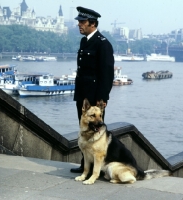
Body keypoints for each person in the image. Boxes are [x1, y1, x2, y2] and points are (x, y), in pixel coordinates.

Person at [70, 6, 114, 173]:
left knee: (96, 134)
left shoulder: (103, 44)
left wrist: (102, 99)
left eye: (82, 22)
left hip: (95, 97)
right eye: (79, 22)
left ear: (92, 24)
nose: (79, 25)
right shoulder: (84, 41)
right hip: (82, 96)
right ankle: (85, 165)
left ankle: (98, 167)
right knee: (84, 131)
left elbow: (107, 73)